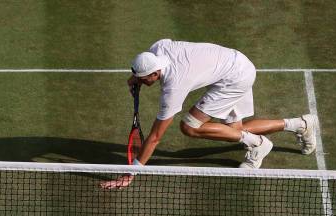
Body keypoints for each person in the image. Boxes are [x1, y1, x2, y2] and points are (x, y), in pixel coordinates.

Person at [101, 39, 318, 189]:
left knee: (190, 126)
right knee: (233, 130)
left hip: (234, 78)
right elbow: (145, 67)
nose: (143, 81)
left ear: (155, 73)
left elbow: (156, 137)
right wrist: (136, 78)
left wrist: (131, 173)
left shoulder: (174, 85)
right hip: (237, 62)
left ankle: (258, 143)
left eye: (144, 78)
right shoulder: (158, 49)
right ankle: (300, 125)